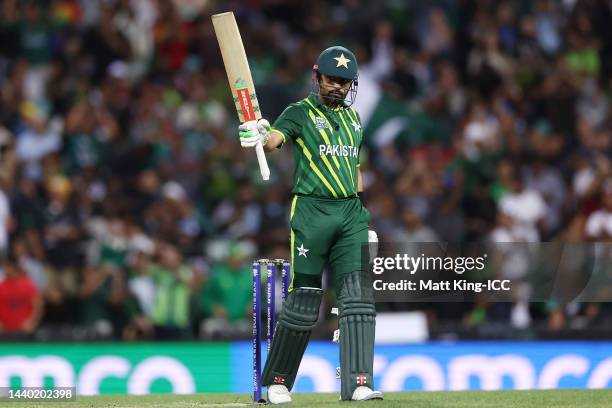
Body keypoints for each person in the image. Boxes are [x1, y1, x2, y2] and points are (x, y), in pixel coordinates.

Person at [239, 46, 382, 403]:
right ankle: (278, 382)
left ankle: (358, 383)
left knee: (358, 299)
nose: (338, 87)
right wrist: (258, 133)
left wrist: (363, 216)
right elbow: (275, 140)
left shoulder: (354, 120)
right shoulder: (299, 113)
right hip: (312, 213)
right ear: (317, 77)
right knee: (304, 297)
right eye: (332, 79)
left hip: (351, 213)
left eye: (345, 82)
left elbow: (356, 169)